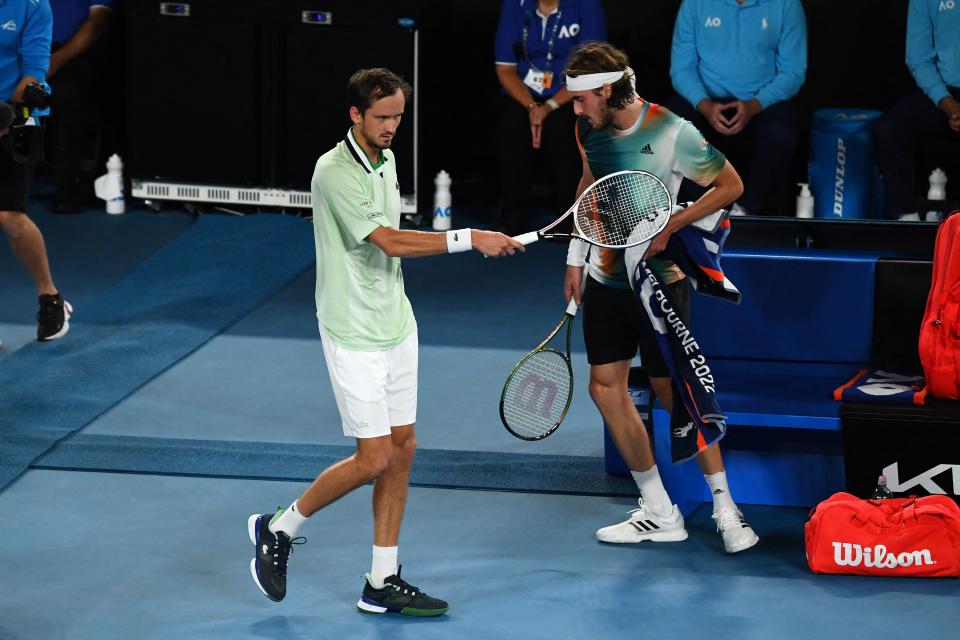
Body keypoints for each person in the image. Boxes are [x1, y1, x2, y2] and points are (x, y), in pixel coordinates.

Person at [247, 68, 523, 615]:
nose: (393, 126)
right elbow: (390, 242)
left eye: (398, 116)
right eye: (382, 117)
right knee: (373, 457)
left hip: (397, 324)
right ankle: (278, 527)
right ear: (355, 115)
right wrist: (472, 238)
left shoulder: (387, 157)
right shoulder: (333, 171)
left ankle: (381, 579)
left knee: (403, 449)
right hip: (351, 331)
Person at [562, 42, 759, 553]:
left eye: (582, 99)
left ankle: (725, 509)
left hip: (658, 280)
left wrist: (676, 221)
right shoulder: (587, 128)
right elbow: (591, 187)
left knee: (674, 393)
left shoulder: (672, 130)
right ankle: (658, 510)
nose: (575, 109)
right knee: (605, 388)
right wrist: (575, 256)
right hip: (606, 274)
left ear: (605, 90)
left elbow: (730, 184)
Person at [668, 0, 807, 216]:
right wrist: (704, 105)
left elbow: (793, 72)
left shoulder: (786, 4)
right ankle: (704, 209)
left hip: (761, 102)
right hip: (706, 101)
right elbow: (681, 68)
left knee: (782, 133)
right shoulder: (694, 3)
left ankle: (746, 209)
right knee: (670, 124)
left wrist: (755, 105)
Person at [493, 0, 606, 235]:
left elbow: (589, 69)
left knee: (563, 128)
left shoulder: (586, 5)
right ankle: (513, 216)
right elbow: (505, 68)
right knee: (511, 125)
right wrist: (533, 106)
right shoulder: (515, 5)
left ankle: (568, 215)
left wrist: (548, 107)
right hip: (525, 91)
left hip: (572, 90)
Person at [0, 0, 73, 342]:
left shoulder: (33, 6)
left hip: (17, 120)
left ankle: (50, 297)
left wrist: (10, 115)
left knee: (9, 217)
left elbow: (34, 72)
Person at [874, 0, 960, 221]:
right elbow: (919, 59)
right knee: (890, 129)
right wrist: (946, 102)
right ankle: (907, 223)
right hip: (947, 93)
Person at [45, 0, 116, 213]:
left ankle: (66, 186)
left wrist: (55, 61)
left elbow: (98, 22)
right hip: (25, 50)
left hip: (71, 55)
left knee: (65, 94)